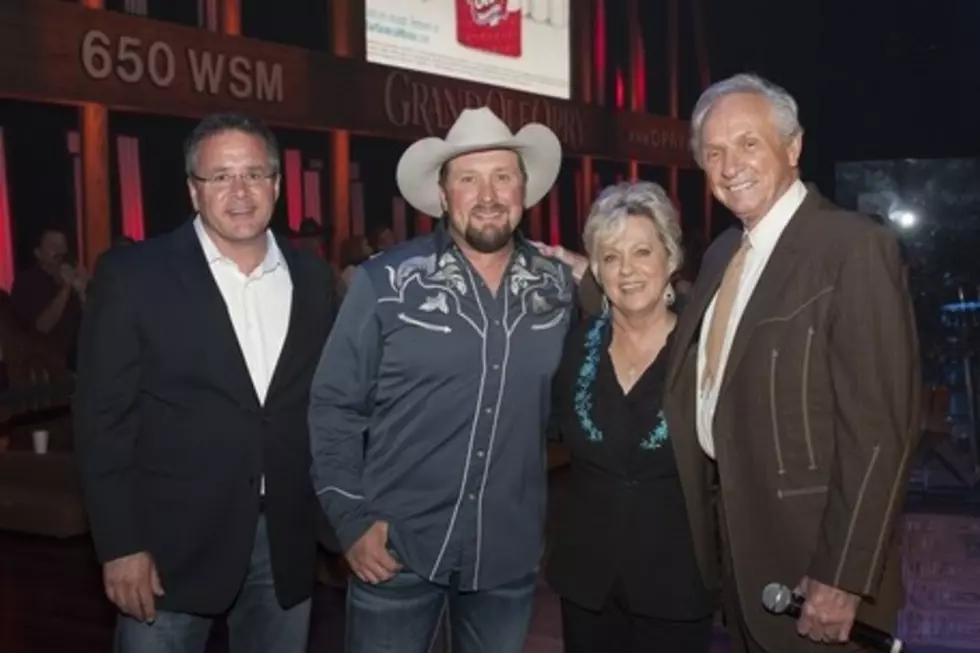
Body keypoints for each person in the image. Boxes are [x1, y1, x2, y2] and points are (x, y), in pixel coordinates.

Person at [550, 73, 919, 653]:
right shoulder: (726, 253)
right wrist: (587, 275)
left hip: (814, 570)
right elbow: (646, 308)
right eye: (714, 153)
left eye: (748, 143)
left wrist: (844, 576)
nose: (730, 165)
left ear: (793, 147)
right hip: (742, 569)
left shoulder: (851, 247)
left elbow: (879, 431)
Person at [309, 106, 573, 653]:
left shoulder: (560, 289)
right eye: (469, 178)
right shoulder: (384, 283)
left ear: (524, 190)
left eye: (503, 176)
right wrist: (349, 521)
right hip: (395, 551)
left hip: (507, 556)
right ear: (444, 192)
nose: (488, 194)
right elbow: (333, 406)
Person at [73, 112, 339, 653]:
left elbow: (329, 405)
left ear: (277, 185)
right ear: (194, 192)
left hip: (285, 537)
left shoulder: (312, 278)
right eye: (220, 177)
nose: (239, 192)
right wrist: (120, 545)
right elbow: (103, 420)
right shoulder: (133, 276)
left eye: (254, 174)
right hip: (168, 545)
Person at [547, 181, 714, 653]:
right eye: (611, 256)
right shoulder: (577, 345)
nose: (627, 270)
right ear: (596, 269)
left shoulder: (706, 351)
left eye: (642, 251)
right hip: (587, 583)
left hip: (675, 586)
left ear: (671, 258)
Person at [10, 227, 87, 366]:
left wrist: (83, 290)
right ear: (38, 252)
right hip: (43, 362)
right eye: (53, 246)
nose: (61, 251)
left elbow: (93, 319)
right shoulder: (27, 281)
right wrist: (66, 288)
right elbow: (42, 326)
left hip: (80, 355)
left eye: (63, 245)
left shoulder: (71, 276)